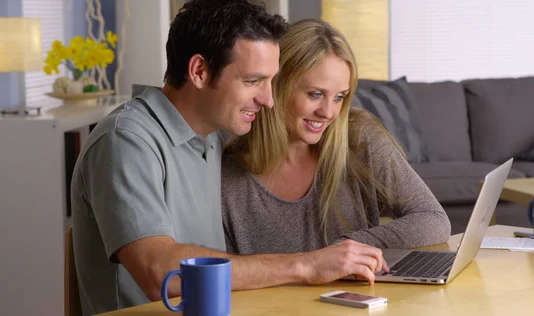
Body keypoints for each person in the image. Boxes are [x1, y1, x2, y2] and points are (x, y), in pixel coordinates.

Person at [71, 2, 387, 315]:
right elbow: (161, 275)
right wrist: (306, 264)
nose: (268, 99)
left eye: (271, 81)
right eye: (252, 81)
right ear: (199, 71)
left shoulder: (210, 138)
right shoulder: (126, 140)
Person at [222, 19, 451, 256]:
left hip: (361, 295)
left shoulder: (359, 138)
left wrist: (348, 247)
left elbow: (433, 219)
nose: (328, 113)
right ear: (276, 84)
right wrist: (315, 264)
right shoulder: (228, 177)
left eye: (339, 97)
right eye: (316, 94)